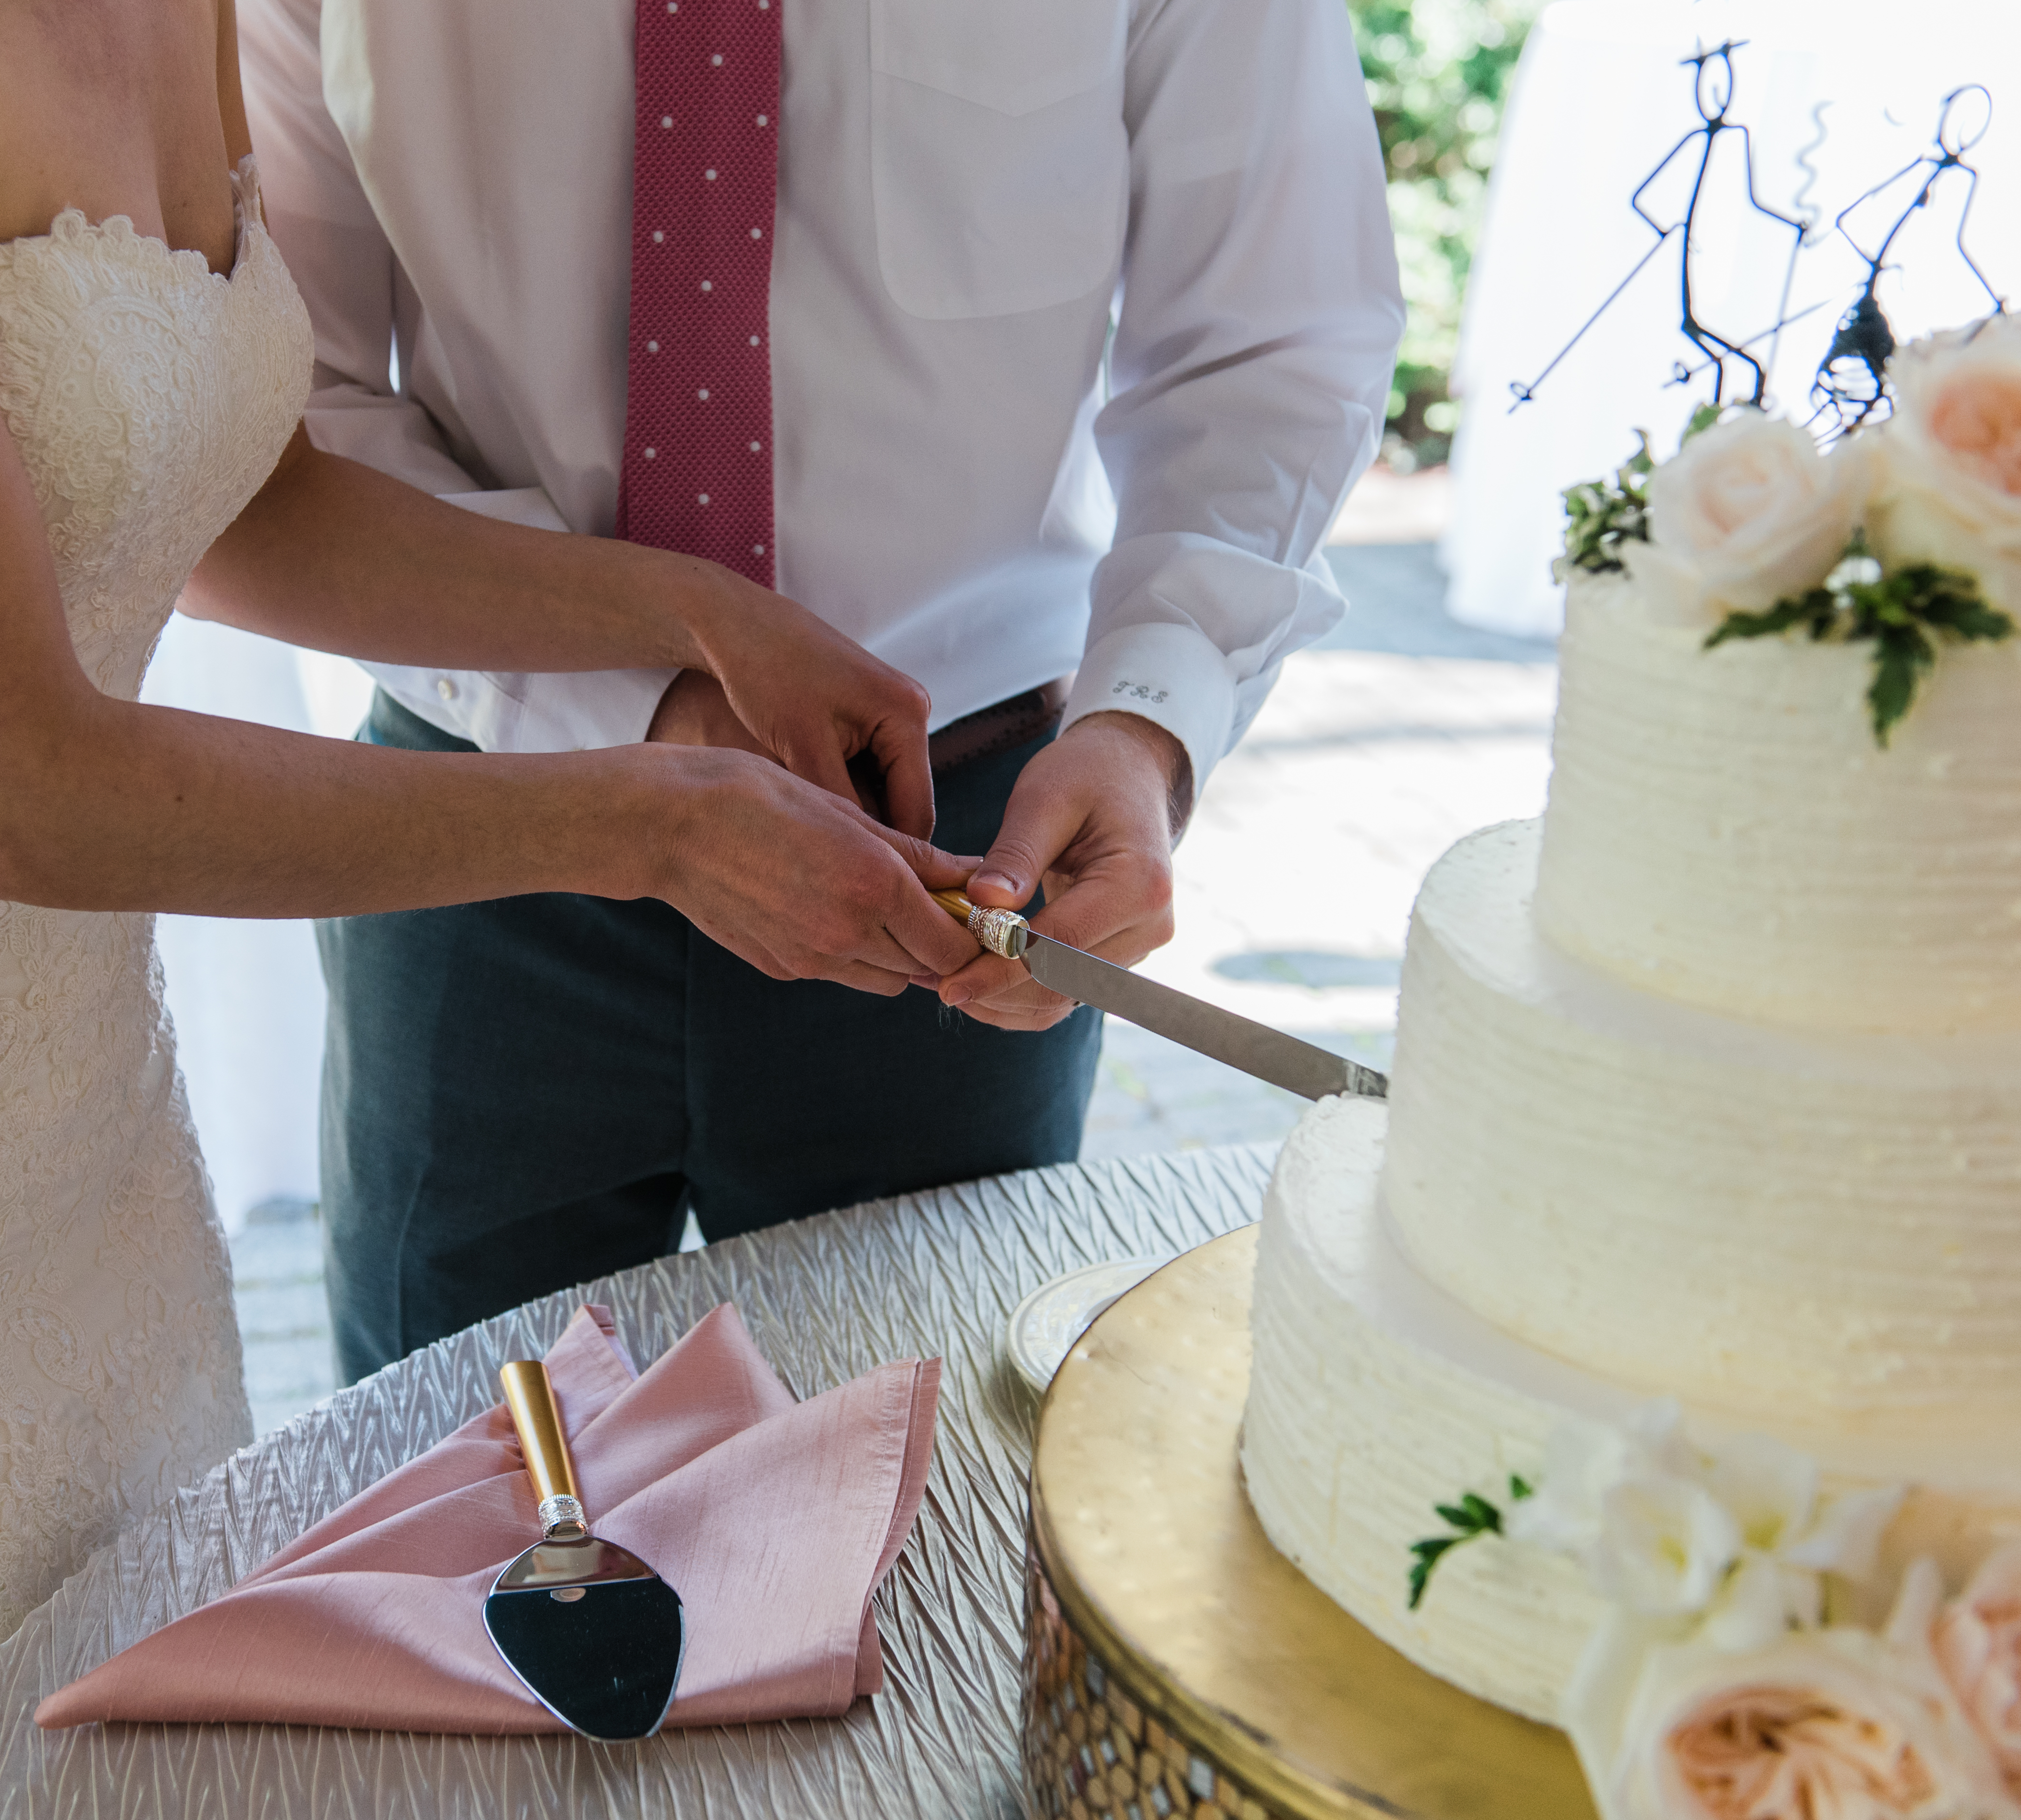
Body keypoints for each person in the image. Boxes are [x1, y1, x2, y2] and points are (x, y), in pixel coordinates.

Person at [0, 0, 985, 1811]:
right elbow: (3, 786)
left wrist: (691, 615)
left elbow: (234, 495)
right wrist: (645, 823)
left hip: (74, 1165)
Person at [238, 0, 1404, 1380]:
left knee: (923, 1492)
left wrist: (1148, 722)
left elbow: (1268, 340)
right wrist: (645, 706)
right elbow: (274, 406)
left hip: (962, 854)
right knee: (455, 1490)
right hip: (487, 813)